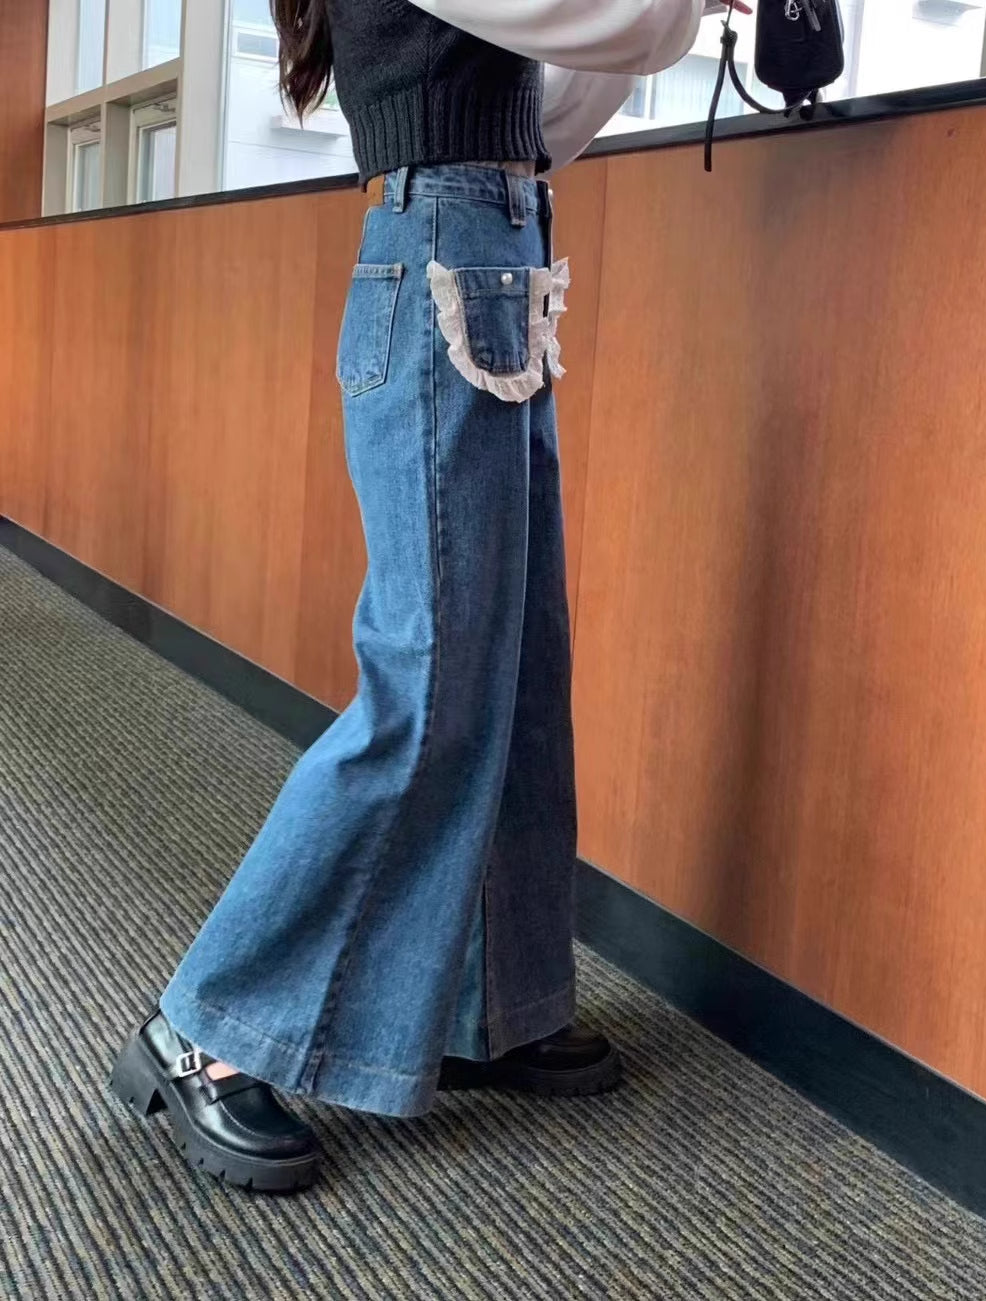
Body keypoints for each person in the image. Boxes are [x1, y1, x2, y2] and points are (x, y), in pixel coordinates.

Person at [109, 0, 748, 1193]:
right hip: (447, 254)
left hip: (497, 244)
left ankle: (492, 1006)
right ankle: (206, 1021)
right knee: (434, 679)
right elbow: (603, 21)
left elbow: (553, 100)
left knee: (517, 666)